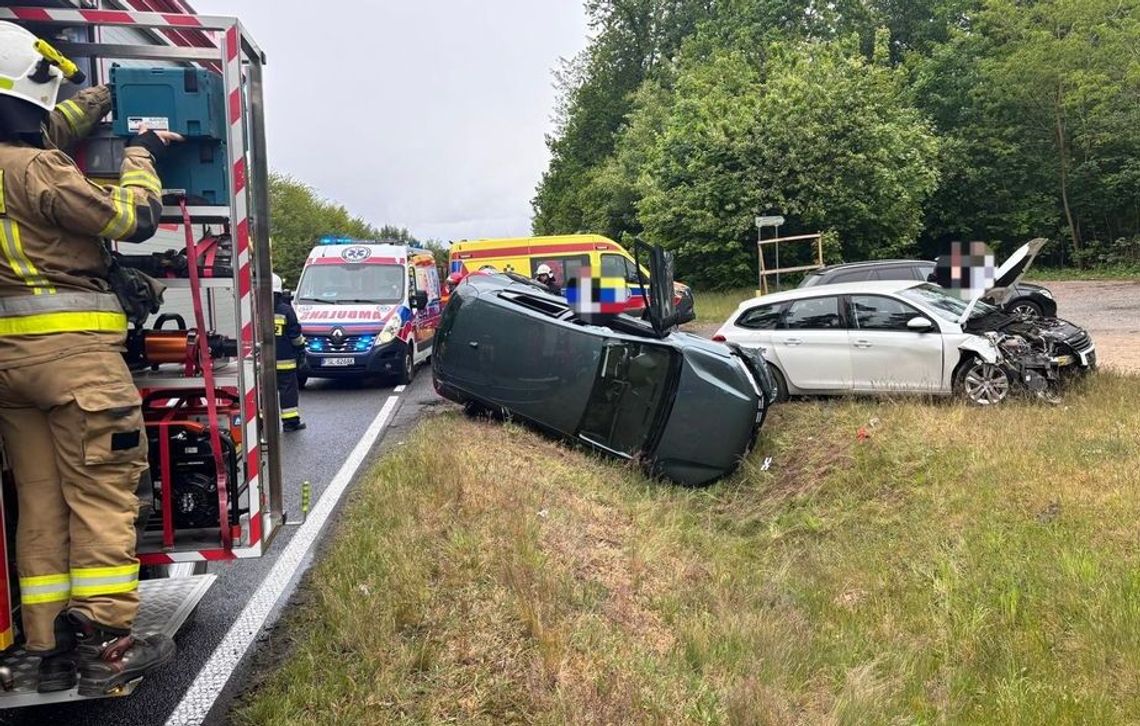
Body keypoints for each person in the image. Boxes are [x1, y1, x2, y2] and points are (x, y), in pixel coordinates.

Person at [0, 22, 182, 694]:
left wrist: (101, 99)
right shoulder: (37, 170)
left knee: (40, 506)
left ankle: (47, 649)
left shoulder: (15, 160)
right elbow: (131, 219)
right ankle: (106, 640)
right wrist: (140, 156)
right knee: (102, 493)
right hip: (77, 364)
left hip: (11, 371)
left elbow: (45, 125)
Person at [273, 274, 306, 432]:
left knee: (263, 394)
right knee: (288, 391)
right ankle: (290, 422)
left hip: (262, 364)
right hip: (285, 362)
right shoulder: (286, 310)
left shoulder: (255, 311)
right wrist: (301, 351)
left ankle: (262, 424)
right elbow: (295, 337)